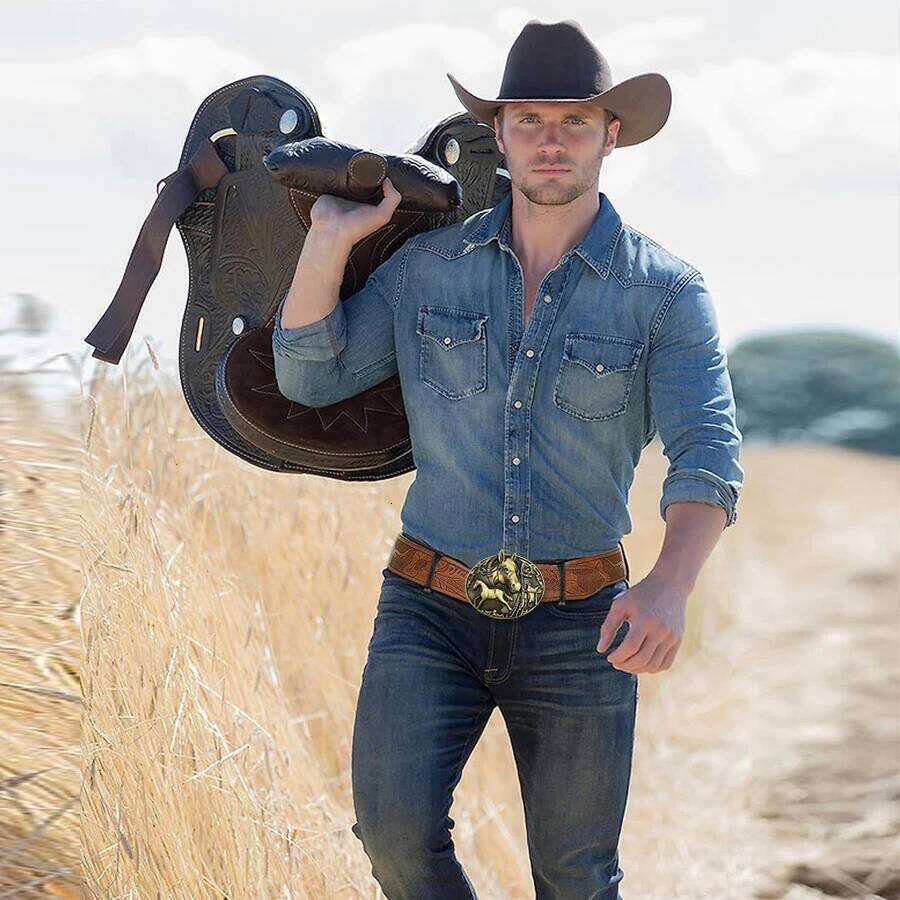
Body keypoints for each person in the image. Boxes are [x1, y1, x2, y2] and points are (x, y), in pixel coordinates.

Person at [272, 18, 743, 900]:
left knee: (575, 876)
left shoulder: (667, 292)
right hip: (427, 610)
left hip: (582, 624)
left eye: (573, 121)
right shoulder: (427, 270)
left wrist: (670, 585)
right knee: (394, 840)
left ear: (612, 134)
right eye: (529, 120)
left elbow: (708, 452)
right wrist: (329, 238)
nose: (550, 141)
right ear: (499, 134)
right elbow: (310, 376)